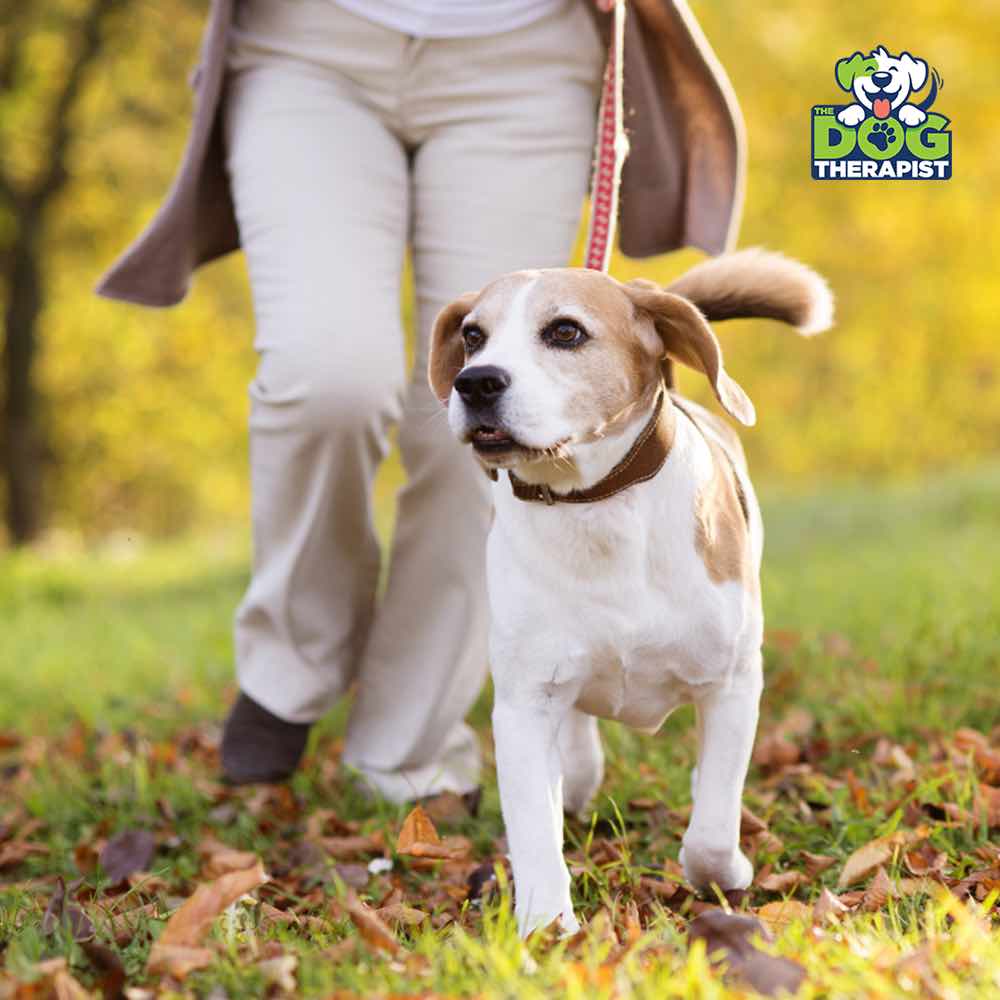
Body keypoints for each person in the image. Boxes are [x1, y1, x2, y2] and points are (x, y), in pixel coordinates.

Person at [95, 0, 744, 803]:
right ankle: (293, 655)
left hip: (523, 58)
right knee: (324, 378)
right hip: (307, 43)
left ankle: (404, 752)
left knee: (495, 426)